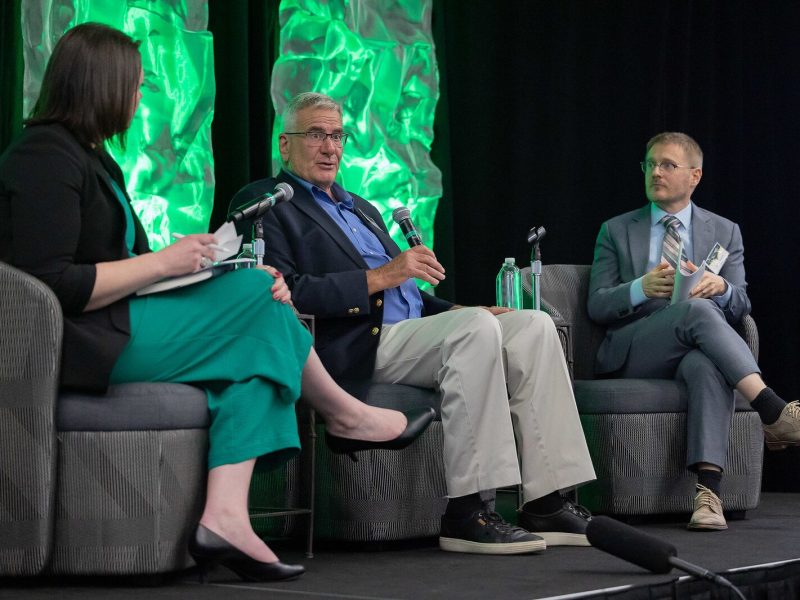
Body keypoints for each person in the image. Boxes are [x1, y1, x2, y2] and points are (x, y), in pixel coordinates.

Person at [0, 24, 433, 582]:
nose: (137, 98)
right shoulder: (42, 156)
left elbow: (123, 260)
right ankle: (345, 415)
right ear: (98, 84)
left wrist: (202, 265)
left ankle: (226, 518)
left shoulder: (95, 160)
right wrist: (164, 262)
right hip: (80, 341)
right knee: (261, 298)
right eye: (133, 86)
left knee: (260, 328)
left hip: (123, 320)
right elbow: (47, 285)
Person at [232, 92, 597, 555]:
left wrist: (460, 310)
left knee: (534, 326)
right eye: (316, 135)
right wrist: (384, 274)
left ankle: (548, 500)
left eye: (337, 136)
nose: (329, 147)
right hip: (350, 343)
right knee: (474, 332)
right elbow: (284, 291)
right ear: (285, 145)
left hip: (409, 336)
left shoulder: (362, 208)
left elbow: (407, 294)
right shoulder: (266, 203)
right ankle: (469, 511)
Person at [588, 131, 800, 531]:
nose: (656, 172)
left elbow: (742, 303)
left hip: (694, 344)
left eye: (667, 165)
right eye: (650, 164)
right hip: (635, 348)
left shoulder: (724, 231)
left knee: (706, 362)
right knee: (698, 313)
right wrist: (639, 288)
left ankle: (708, 495)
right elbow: (596, 305)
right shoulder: (616, 230)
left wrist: (722, 288)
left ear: (695, 175)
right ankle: (772, 409)